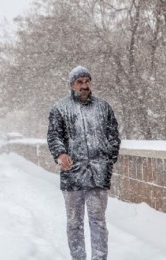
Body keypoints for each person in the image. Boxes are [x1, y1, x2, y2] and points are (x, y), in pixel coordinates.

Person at [47, 66, 121, 260]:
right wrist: (61, 154)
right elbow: (54, 136)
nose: (84, 85)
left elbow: (114, 136)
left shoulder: (103, 107)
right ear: (72, 85)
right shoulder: (60, 109)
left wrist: (108, 160)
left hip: (98, 174)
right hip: (72, 175)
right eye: (80, 82)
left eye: (87, 81)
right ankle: (78, 257)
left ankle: (99, 258)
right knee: (74, 222)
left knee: (98, 221)